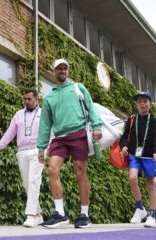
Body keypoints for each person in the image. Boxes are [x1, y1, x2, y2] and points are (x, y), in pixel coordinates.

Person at [37, 58, 102, 228]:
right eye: (59, 69)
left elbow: (91, 108)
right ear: (54, 71)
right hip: (59, 138)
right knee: (52, 170)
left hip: (78, 133)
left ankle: (84, 214)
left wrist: (97, 126)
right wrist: (41, 147)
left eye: (65, 68)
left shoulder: (78, 88)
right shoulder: (49, 97)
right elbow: (45, 125)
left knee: (80, 172)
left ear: (68, 71)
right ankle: (60, 214)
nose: (63, 71)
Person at [0, 89, 44, 228]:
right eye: (24, 99)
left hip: (37, 151)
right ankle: (38, 215)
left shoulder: (43, 113)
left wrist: (46, 149)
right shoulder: (18, 115)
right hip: (21, 152)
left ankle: (30, 216)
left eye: (29, 99)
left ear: (37, 99)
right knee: (27, 184)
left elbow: (50, 132)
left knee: (33, 181)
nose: (26, 101)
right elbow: (9, 133)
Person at [120, 91, 156, 228]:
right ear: (136, 104)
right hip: (134, 155)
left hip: (149, 155)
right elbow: (124, 136)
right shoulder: (132, 119)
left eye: (145, 101)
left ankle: (152, 214)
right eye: (140, 102)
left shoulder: (153, 120)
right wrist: (124, 146)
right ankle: (140, 208)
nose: (142, 104)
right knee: (132, 178)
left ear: (150, 104)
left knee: (150, 185)